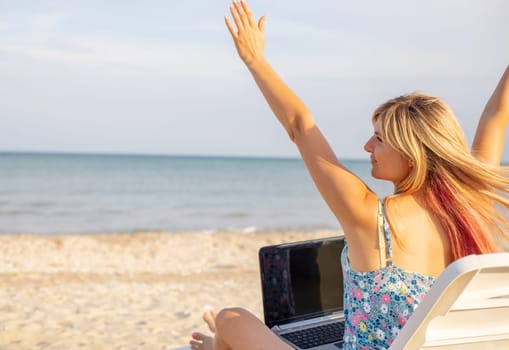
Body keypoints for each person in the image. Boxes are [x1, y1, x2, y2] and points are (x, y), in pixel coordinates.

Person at [189, 1, 509, 349]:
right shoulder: (471, 204)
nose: (367, 146)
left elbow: (300, 125)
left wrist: (255, 60)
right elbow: (497, 114)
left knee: (229, 320)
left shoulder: (373, 219)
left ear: (412, 152)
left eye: (380, 138)